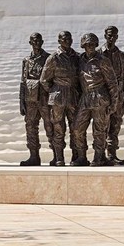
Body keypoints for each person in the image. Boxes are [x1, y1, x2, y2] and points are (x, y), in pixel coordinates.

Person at [73, 32, 120, 166]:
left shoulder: (103, 60)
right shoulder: (80, 59)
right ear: (83, 45)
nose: (91, 47)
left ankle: (99, 157)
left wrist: (114, 103)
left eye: (93, 44)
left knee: (99, 130)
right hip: (85, 98)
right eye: (88, 44)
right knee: (77, 128)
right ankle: (82, 157)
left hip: (100, 97)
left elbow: (112, 83)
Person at [40, 31, 80, 166]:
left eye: (69, 38)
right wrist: (54, 91)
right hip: (58, 96)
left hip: (73, 96)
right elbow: (44, 80)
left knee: (75, 127)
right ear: (59, 41)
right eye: (64, 39)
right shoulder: (53, 58)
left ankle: (76, 157)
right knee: (58, 127)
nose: (67, 41)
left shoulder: (77, 57)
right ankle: (59, 157)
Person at [19, 32, 52, 166]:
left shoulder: (49, 58)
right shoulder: (26, 60)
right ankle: (34, 156)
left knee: (50, 126)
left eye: (38, 41)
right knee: (31, 127)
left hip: (44, 98)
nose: (36, 43)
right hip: (30, 99)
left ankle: (57, 155)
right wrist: (21, 102)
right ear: (30, 43)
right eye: (34, 41)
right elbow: (23, 81)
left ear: (42, 42)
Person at [101, 25, 124, 165]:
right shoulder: (99, 53)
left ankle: (112, 154)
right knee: (102, 125)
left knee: (116, 124)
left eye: (114, 35)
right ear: (105, 36)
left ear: (117, 37)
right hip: (104, 95)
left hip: (119, 95)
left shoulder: (120, 54)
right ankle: (101, 155)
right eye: (109, 35)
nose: (111, 38)